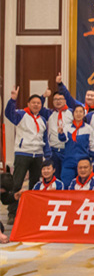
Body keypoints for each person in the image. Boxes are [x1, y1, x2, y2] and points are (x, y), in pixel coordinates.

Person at [4, 87, 52, 223]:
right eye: (33, 103)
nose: (36, 105)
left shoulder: (43, 120)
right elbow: (9, 114)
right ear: (28, 104)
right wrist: (13, 99)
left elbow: (45, 139)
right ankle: (12, 213)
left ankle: (31, 211)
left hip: (38, 154)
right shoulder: (21, 115)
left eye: (39, 103)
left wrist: (47, 155)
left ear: (41, 105)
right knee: (16, 183)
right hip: (23, 153)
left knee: (35, 184)